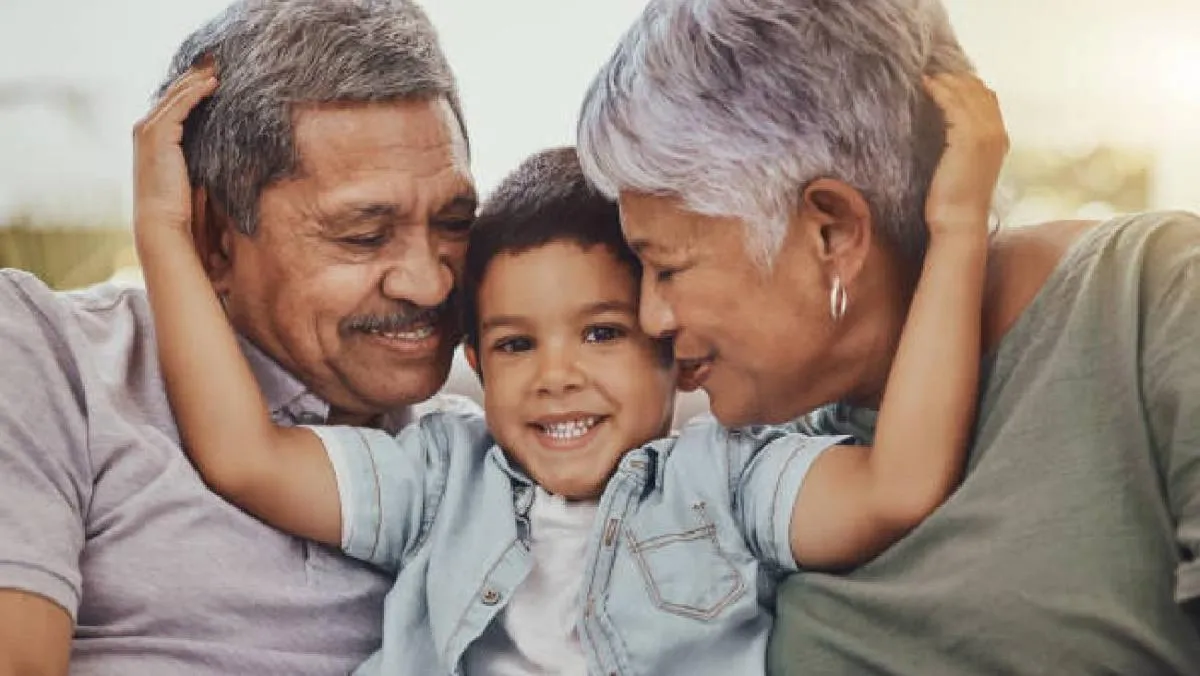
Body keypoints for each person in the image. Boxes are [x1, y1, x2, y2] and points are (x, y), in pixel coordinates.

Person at [133, 56, 1004, 672]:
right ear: (476, 359)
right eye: (515, 345)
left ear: (672, 347)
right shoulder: (442, 477)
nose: (555, 375)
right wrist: (166, 237)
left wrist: (958, 231)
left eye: (601, 333)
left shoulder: (731, 480)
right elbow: (244, 456)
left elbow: (897, 487)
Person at [576, 0, 1200, 673]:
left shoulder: (1153, 297)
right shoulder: (757, 459)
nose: (652, 320)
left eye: (668, 267)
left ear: (833, 233)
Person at [0, 0, 476, 673]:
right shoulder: (47, 355)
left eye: (455, 223)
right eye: (364, 236)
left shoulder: (479, 461)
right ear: (215, 241)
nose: (429, 285)